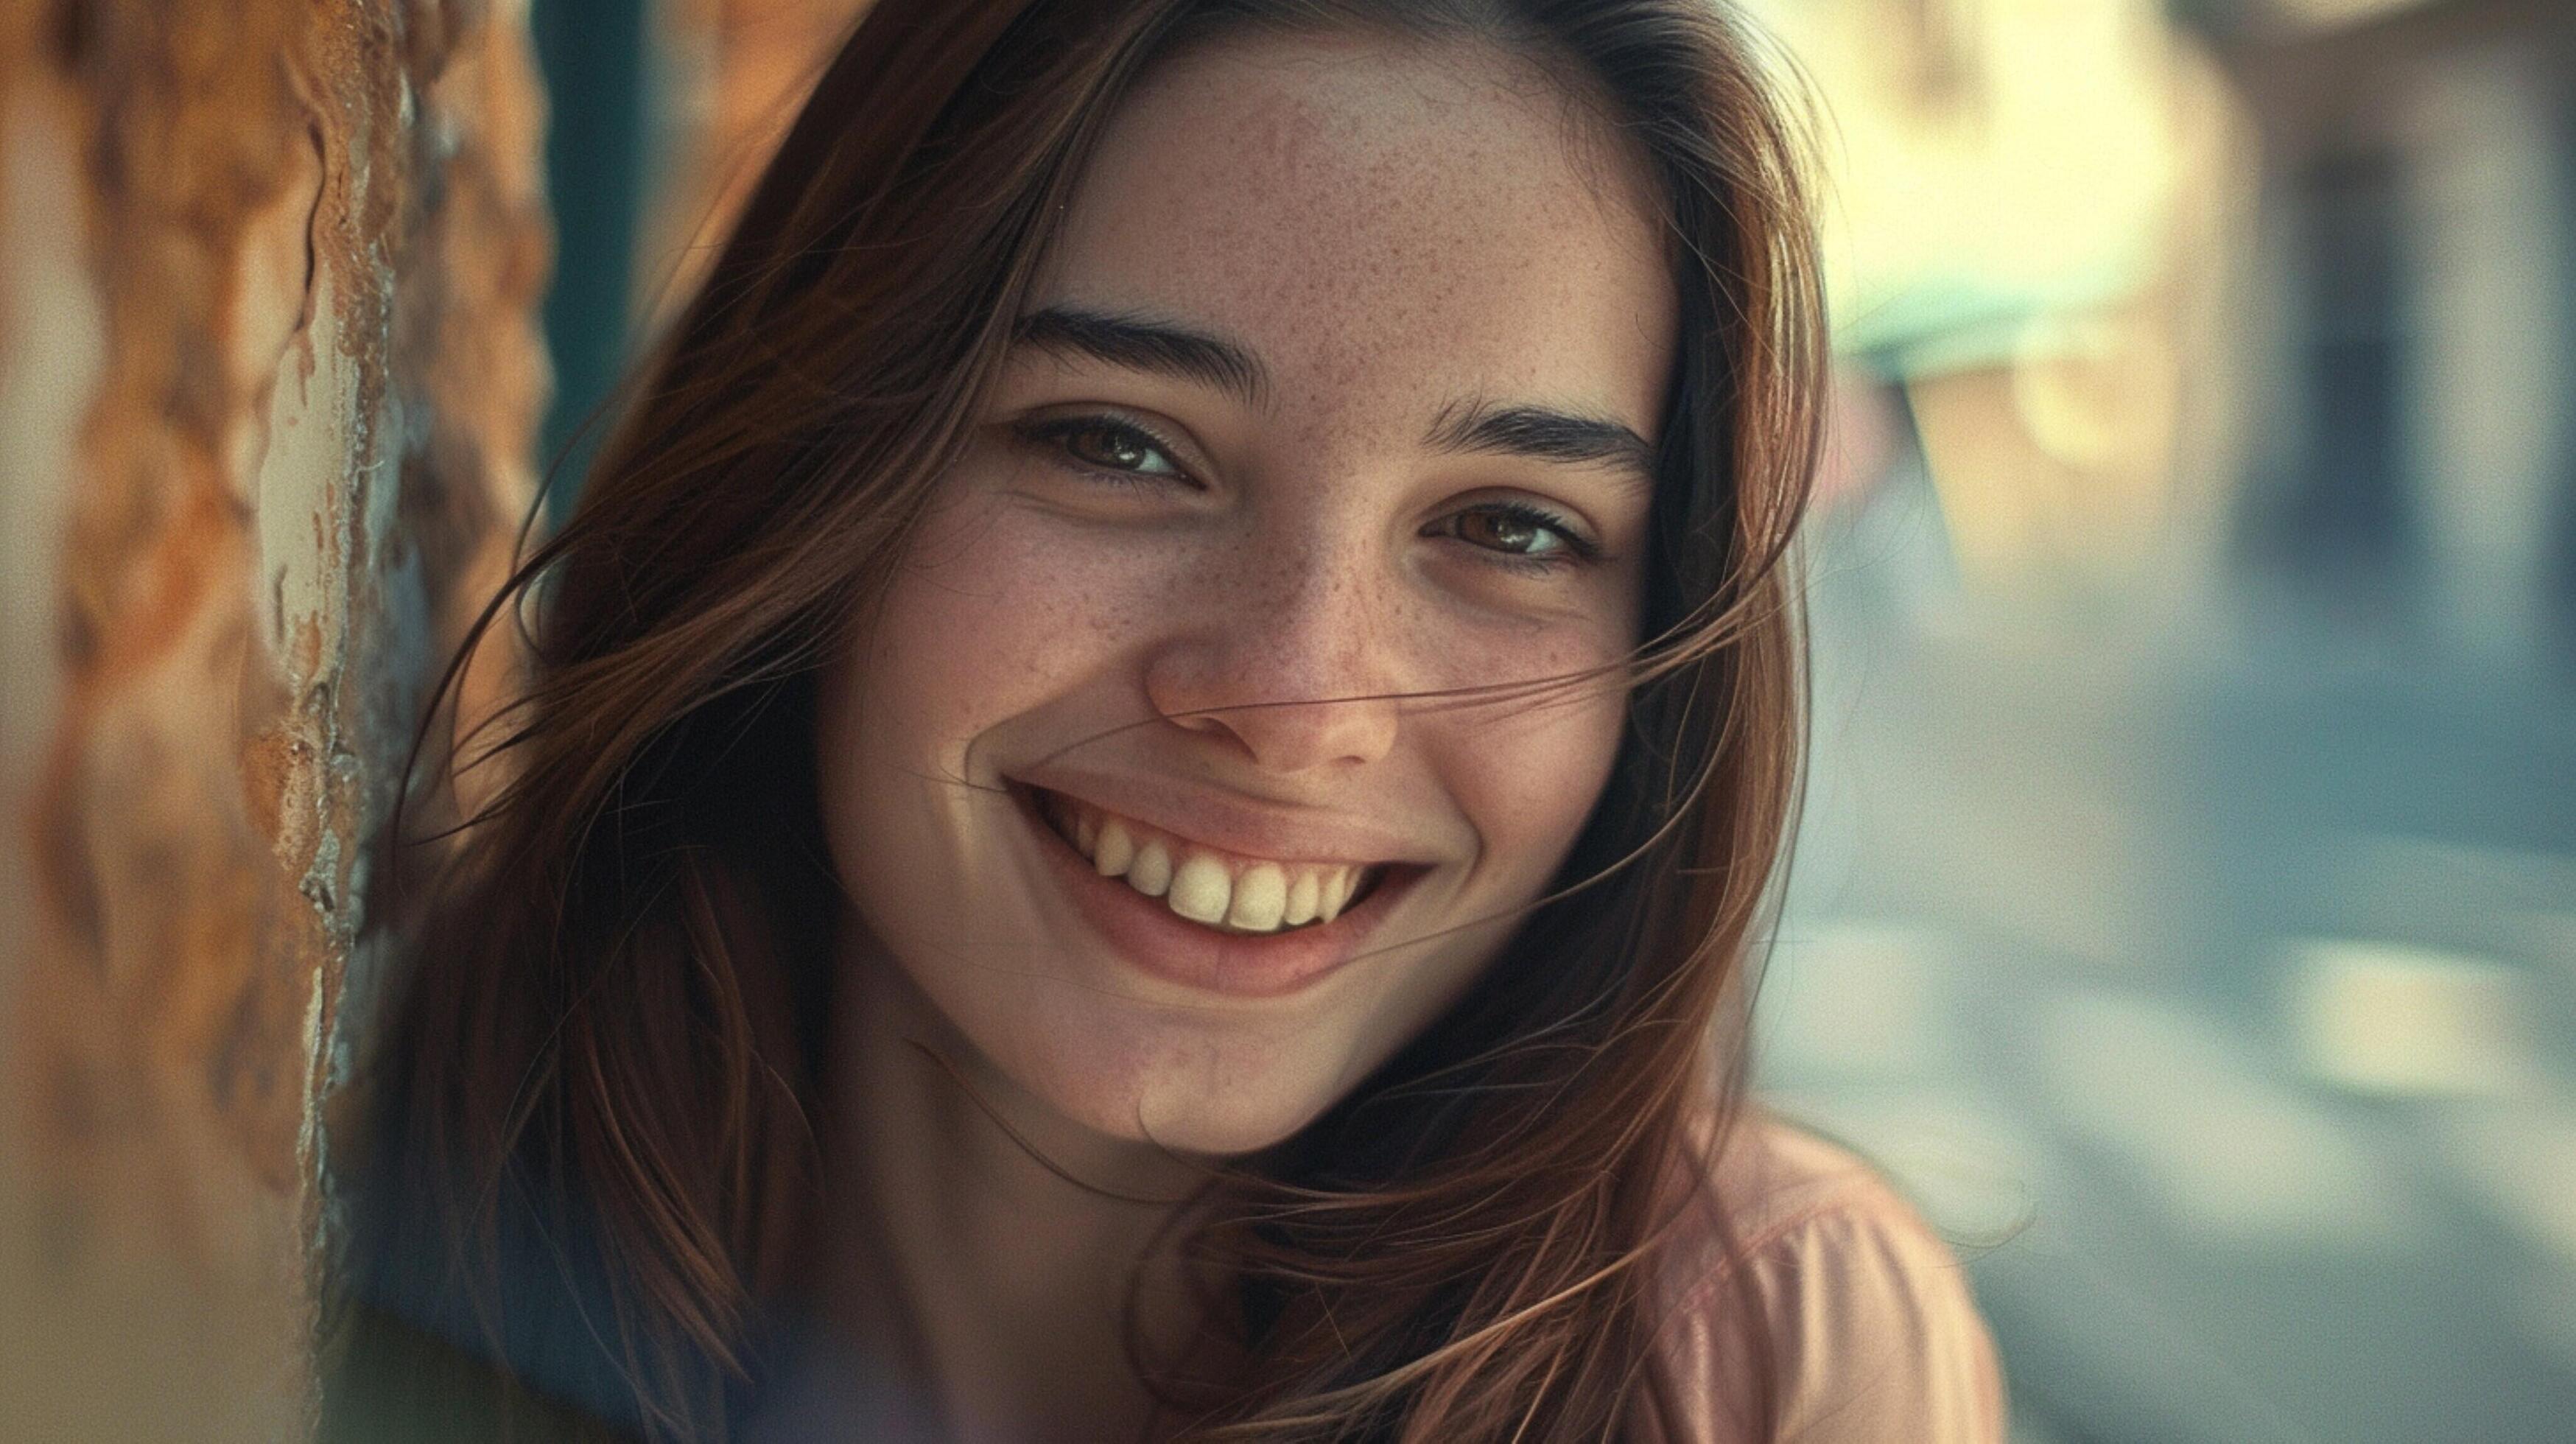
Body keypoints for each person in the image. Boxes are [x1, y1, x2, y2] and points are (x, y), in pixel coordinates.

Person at [320, 0, 2007, 1440]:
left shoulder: (1758, 1357)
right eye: (1120, 444)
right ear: (822, 469)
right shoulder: (369, 1183)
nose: (1295, 701)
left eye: (1509, 527)